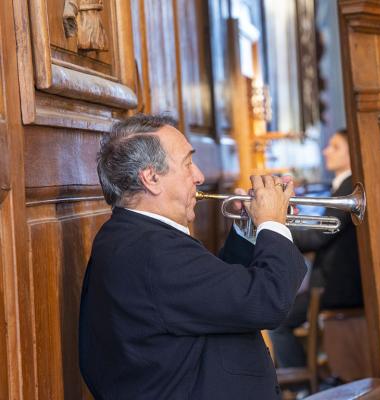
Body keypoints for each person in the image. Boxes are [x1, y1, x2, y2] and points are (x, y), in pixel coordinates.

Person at [79, 113, 307, 400]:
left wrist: (249, 231)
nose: (199, 176)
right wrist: (273, 223)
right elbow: (268, 300)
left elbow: (216, 299)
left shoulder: (137, 237)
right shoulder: (152, 250)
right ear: (151, 178)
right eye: (188, 163)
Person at [269, 129, 363, 369]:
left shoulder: (349, 187)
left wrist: (279, 228)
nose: (326, 150)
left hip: (337, 286)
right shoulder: (342, 185)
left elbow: (321, 236)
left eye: (335, 146)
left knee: (278, 322)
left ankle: (300, 383)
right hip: (329, 282)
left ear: (352, 152)